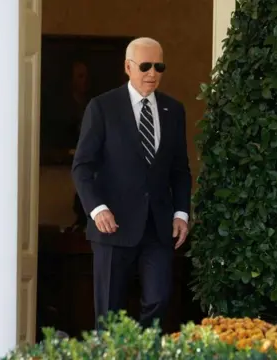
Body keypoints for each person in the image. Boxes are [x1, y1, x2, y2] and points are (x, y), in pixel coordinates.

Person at [71, 37, 192, 330]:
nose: (152, 73)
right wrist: (97, 209)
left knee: (160, 300)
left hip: (158, 227)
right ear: (128, 67)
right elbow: (82, 166)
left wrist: (181, 213)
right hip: (112, 226)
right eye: (145, 66)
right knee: (109, 313)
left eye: (159, 66)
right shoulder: (102, 107)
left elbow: (179, 169)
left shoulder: (173, 110)